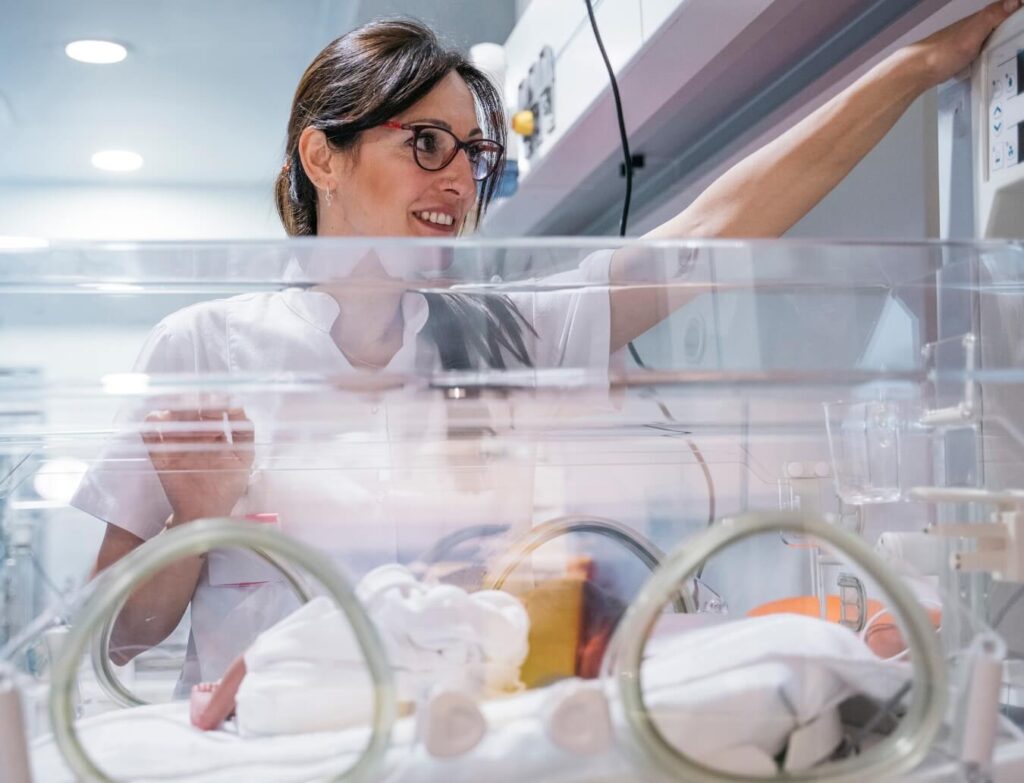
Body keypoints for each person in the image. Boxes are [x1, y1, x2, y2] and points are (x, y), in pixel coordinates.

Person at [78, 1, 1022, 688]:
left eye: (475, 155)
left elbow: (717, 228)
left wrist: (914, 67)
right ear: (323, 156)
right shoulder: (200, 344)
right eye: (426, 145)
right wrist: (196, 523)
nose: (459, 180)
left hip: (469, 749)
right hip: (271, 756)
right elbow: (117, 636)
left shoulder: (503, 332)